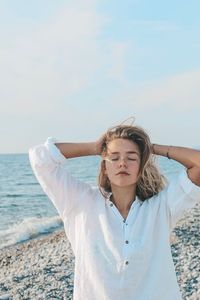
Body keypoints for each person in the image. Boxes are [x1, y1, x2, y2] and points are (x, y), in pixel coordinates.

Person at [29, 123, 200, 300]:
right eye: (114, 158)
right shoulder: (80, 202)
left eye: (132, 158)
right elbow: (40, 159)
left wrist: (152, 148)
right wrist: (94, 147)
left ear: (141, 167)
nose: (123, 163)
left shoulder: (161, 207)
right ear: (104, 167)